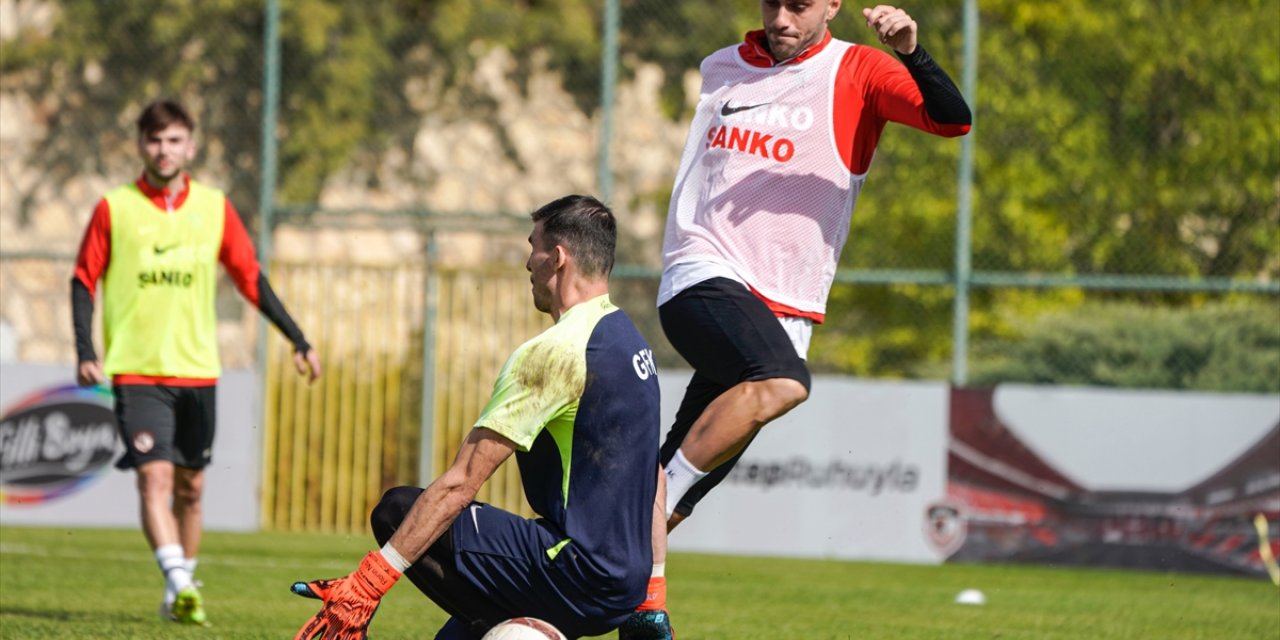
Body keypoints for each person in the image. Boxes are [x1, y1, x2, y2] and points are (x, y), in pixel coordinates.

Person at [620, 3, 973, 634]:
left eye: (800, 3)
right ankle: (643, 550)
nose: (781, 15)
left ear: (833, 4)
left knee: (679, 490)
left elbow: (953, 120)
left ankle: (585, 583)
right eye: (772, 1)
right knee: (784, 380)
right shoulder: (722, 67)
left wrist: (912, 51)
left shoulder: (858, 69)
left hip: (785, 308)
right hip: (702, 273)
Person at [291, 195, 663, 640]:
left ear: (558, 258)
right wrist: (651, 595)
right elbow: (652, 473)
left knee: (397, 509)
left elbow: (461, 482)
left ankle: (520, 623)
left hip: (574, 574)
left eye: (533, 247)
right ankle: (504, 626)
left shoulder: (554, 353)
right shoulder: (632, 343)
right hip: (623, 585)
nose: (529, 263)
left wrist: (369, 584)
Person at [71, 99, 322, 625]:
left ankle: (178, 586)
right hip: (138, 371)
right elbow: (83, 279)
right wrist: (85, 350)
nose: (164, 150)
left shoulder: (213, 206)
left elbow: (250, 278)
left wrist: (297, 338)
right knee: (153, 480)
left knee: (191, 488)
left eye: (174, 140)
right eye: (155, 140)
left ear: (191, 145)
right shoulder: (113, 207)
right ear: (141, 145)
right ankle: (181, 580)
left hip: (198, 371)